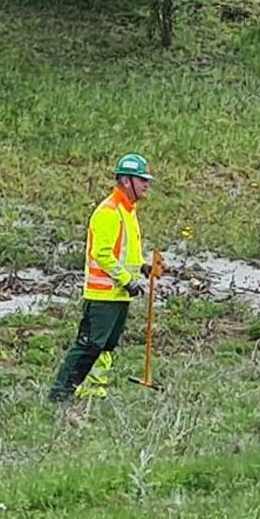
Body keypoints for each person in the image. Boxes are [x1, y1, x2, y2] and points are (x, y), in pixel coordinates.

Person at [50, 153, 156, 406]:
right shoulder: (109, 211)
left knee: (105, 346)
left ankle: (91, 391)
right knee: (88, 346)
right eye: (141, 179)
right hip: (103, 295)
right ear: (126, 181)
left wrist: (142, 267)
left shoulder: (127, 211)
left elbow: (124, 252)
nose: (146, 185)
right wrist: (126, 280)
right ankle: (60, 393)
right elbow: (102, 253)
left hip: (118, 295)